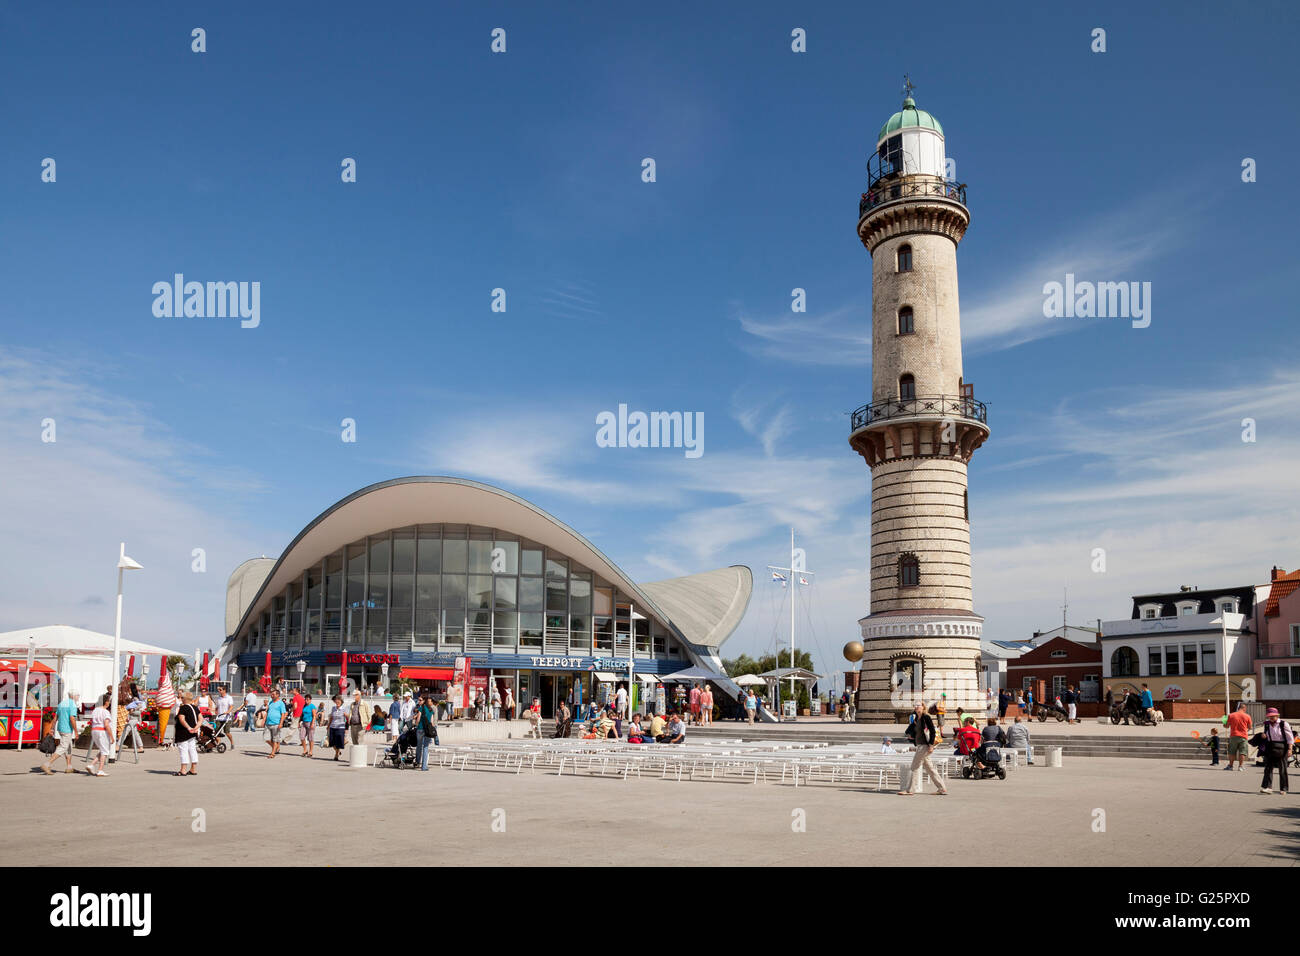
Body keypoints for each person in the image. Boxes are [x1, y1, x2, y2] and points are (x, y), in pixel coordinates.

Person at [898, 702, 947, 795]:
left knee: (914, 767)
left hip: (925, 746)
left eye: (918, 705)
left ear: (923, 707)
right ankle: (942, 788)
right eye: (915, 705)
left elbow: (932, 731)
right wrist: (910, 734)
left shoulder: (926, 717)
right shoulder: (917, 718)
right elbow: (910, 729)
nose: (916, 707)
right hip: (920, 745)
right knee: (930, 769)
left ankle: (909, 790)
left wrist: (931, 745)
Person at [41, 690, 81, 775]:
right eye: (78, 696)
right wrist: (76, 732)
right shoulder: (72, 705)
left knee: (69, 747)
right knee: (63, 747)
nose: (78, 697)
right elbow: (72, 719)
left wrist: (52, 729)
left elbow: (55, 717)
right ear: (74, 696)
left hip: (60, 728)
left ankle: (69, 767)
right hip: (67, 729)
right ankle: (47, 764)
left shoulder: (62, 703)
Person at [1258, 707, 1293, 794]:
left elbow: (1290, 737)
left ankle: (1283, 789)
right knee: (1268, 768)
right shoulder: (1267, 724)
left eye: (1273, 716)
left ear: (1277, 716)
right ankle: (1267, 787)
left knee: (1282, 769)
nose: (1271, 718)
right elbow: (1267, 735)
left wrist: (1290, 749)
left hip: (1282, 747)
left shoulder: (1283, 724)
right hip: (1270, 746)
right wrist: (1264, 735)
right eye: (1270, 716)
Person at [174, 691, 201, 776]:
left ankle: (183, 770)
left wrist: (189, 728)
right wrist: (196, 727)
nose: (181, 699)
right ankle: (193, 769)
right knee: (192, 749)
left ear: (185, 699)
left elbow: (182, 720)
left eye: (182, 698)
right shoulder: (195, 707)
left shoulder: (183, 708)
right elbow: (201, 719)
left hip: (183, 732)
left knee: (183, 750)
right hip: (193, 732)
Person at [86, 693, 113, 777]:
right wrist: (112, 736)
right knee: (105, 751)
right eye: (109, 701)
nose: (109, 703)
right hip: (102, 731)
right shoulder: (106, 712)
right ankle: (100, 770)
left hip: (94, 730)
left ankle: (92, 764)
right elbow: (106, 725)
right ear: (106, 702)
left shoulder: (95, 710)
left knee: (102, 750)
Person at [1225, 702, 1252, 771]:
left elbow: (1227, 726)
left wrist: (1224, 723)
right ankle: (1240, 766)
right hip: (1243, 736)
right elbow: (1250, 727)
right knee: (1242, 752)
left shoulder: (1231, 715)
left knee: (1232, 752)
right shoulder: (1247, 716)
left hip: (1233, 735)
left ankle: (1230, 766)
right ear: (1244, 708)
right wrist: (1246, 730)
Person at [416, 694, 439, 770]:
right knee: (425, 747)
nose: (418, 701)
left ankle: (417, 762)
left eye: (420, 700)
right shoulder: (430, 709)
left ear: (424, 701)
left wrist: (416, 724)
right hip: (427, 730)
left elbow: (418, 719)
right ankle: (424, 766)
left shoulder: (421, 708)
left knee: (419, 746)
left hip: (420, 729)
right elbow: (432, 722)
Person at [264, 688, 287, 758]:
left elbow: (283, 714)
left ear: (278, 695)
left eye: (273, 694)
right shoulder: (270, 702)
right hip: (268, 723)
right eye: (271, 694)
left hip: (276, 723)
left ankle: (273, 753)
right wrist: (264, 720)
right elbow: (267, 712)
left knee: (275, 739)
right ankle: (276, 747)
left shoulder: (281, 703)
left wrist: (281, 723)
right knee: (266, 738)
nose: (272, 695)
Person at [214, 685, 236, 752]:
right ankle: (219, 744)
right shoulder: (218, 698)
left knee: (227, 732)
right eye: (218, 690)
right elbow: (217, 707)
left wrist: (228, 712)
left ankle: (232, 743)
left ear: (224, 690)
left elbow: (231, 706)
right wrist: (215, 712)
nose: (219, 691)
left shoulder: (229, 698)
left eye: (220, 690)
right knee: (216, 732)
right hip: (219, 718)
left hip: (227, 718)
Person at [327, 695, 347, 760]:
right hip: (333, 726)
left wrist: (347, 728)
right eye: (336, 700)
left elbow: (348, 718)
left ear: (341, 702)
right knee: (332, 742)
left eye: (339, 701)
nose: (337, 702)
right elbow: (331, 717)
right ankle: (338, 751)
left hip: (340, 727)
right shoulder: (333, 708)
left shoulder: (344, 709)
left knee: (338, 743)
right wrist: (328, 725)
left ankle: (336, 755)